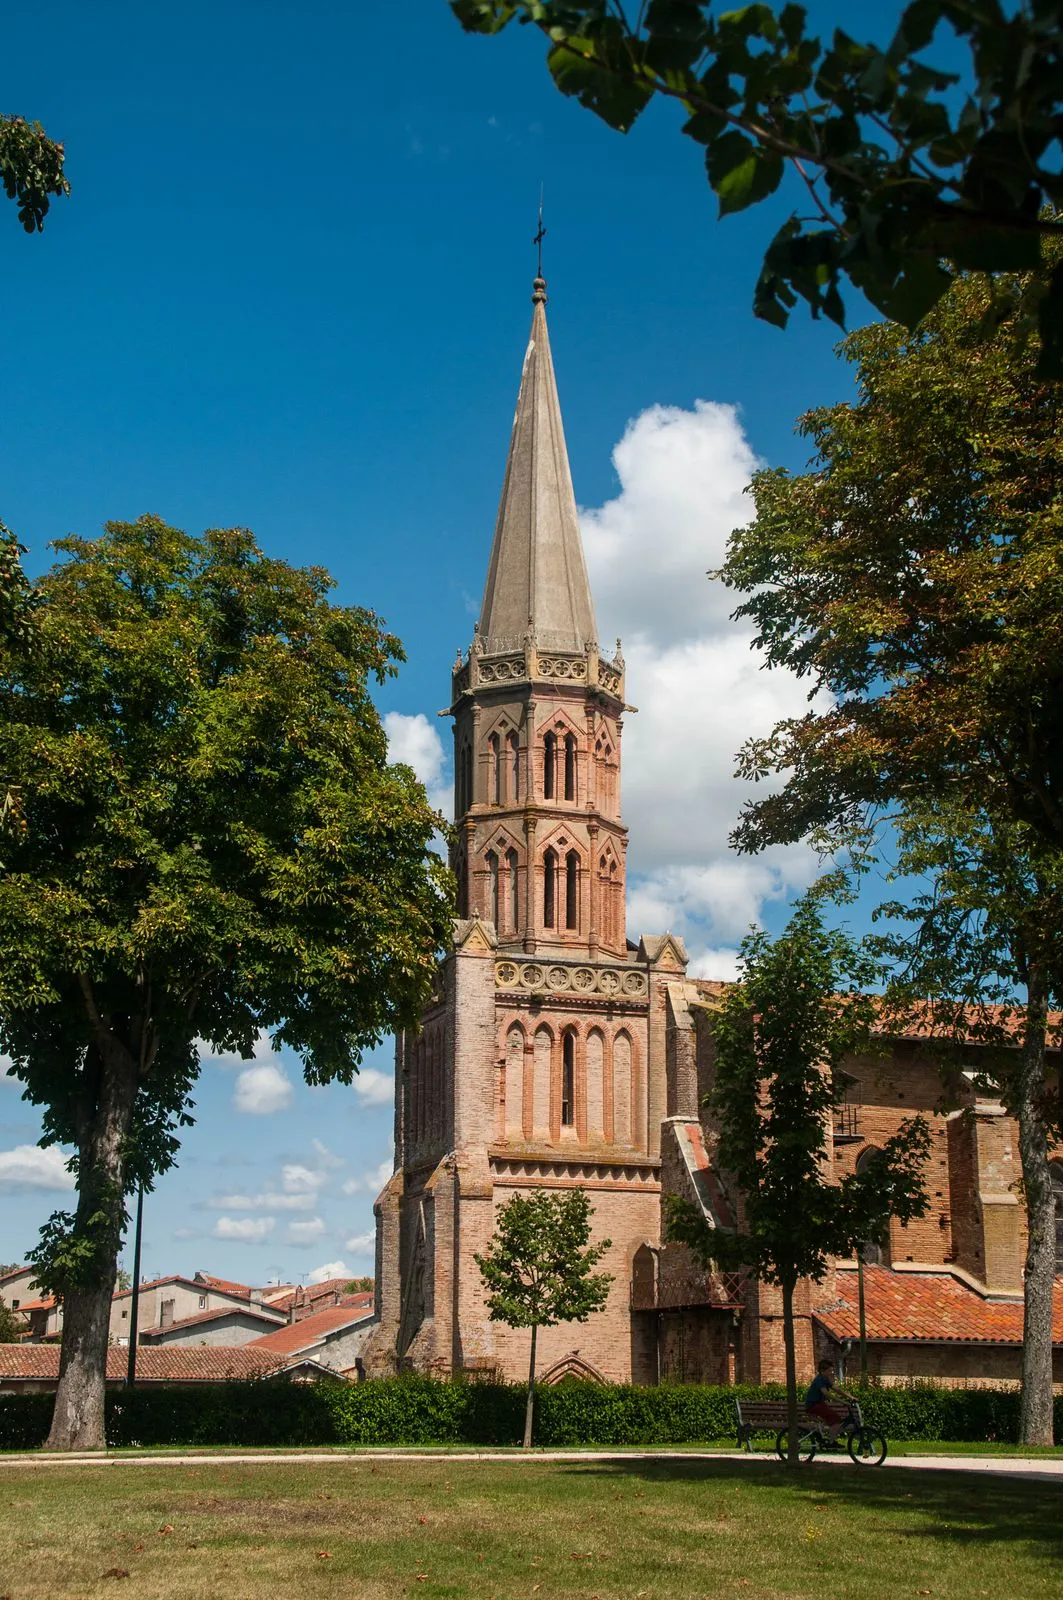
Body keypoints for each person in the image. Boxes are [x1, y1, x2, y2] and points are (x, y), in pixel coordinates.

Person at [804, 1358, 854, 1445]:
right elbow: (826, 1393)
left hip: (818, 1405)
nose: (832, 1372)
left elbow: (836, 1389)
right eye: (830, 1370)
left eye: (832, 1370)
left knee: (832, 1420)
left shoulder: (824, 1379)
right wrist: (842, 1402)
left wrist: (851, 1397)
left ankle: (821, 1436)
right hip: (814, 1406)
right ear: (823, 1371)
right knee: (836, 1419)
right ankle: (831, 1442)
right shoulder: (820, 1379)